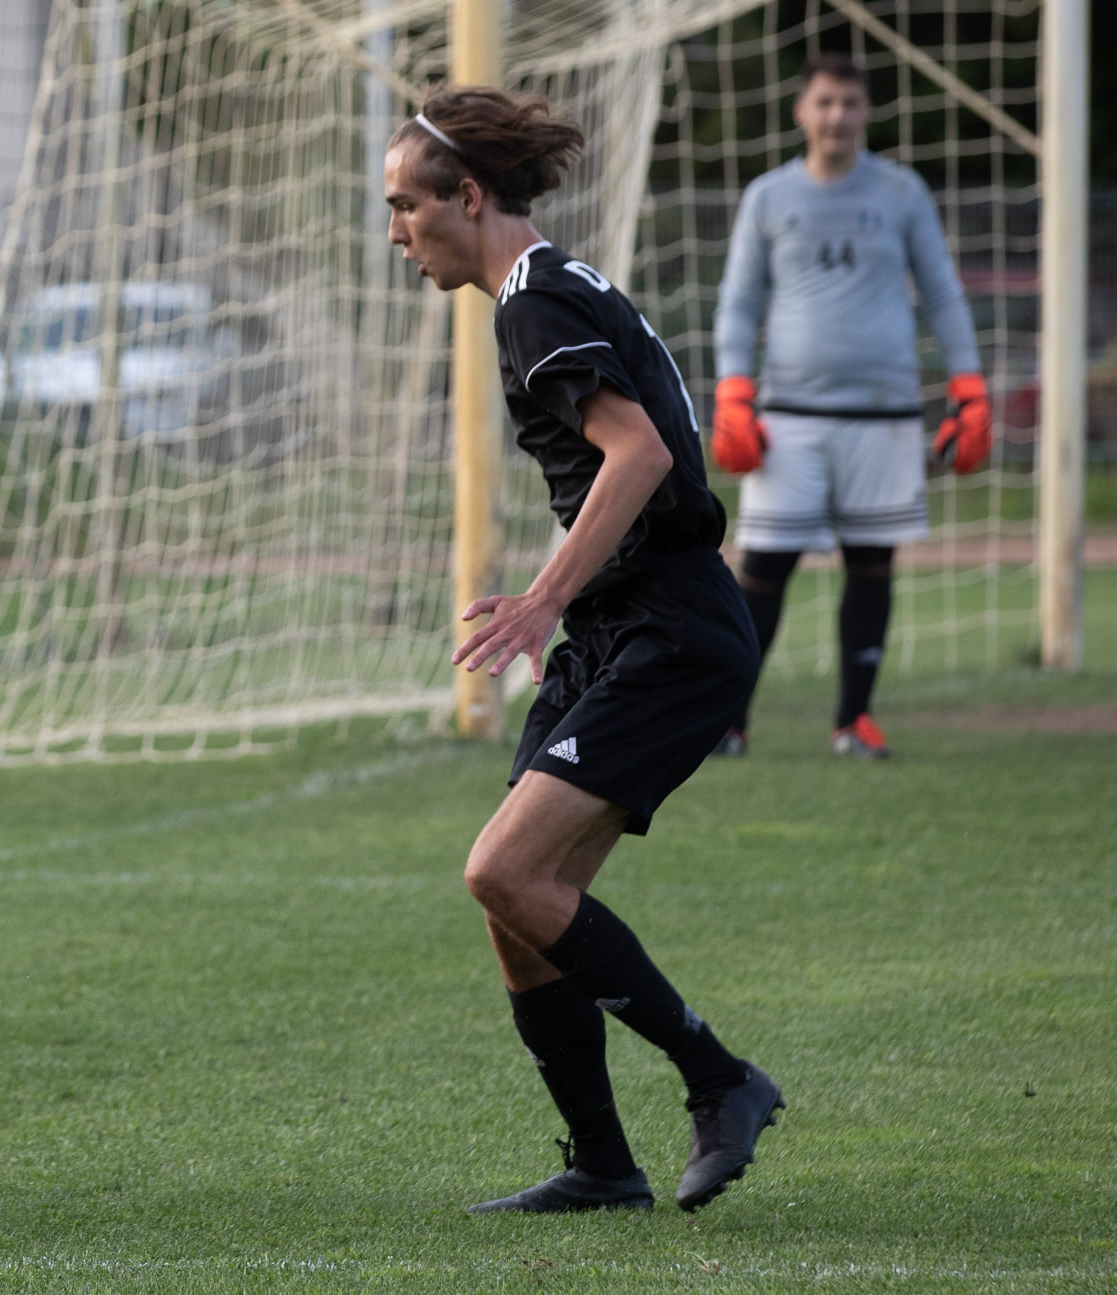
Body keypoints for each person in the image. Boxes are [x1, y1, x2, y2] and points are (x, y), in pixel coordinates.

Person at [383, 87, 782, 1214]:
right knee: (517, 902)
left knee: (502, 871)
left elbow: (638, 452)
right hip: (620, 626)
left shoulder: (532, 301)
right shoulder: (547, 290)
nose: (397, 231)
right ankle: (603, 1165)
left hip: (667, 627)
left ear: (467, 196)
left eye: (406, 204)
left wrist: (540, 598)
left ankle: (719, 1077)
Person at [709, 52, 989, 760]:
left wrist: (968, 385)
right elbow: (739, 302)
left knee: (871, 563)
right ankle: (727, 722)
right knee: (762, 567)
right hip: (789, 416)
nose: (837, 115)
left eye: (850, 103)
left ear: (867, 111)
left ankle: (852, 722)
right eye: (825, 102)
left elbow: (942, 292)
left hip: (883, 415)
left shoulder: (901, 192)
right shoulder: (768, 196)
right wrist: (733, 389)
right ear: (801, 111)